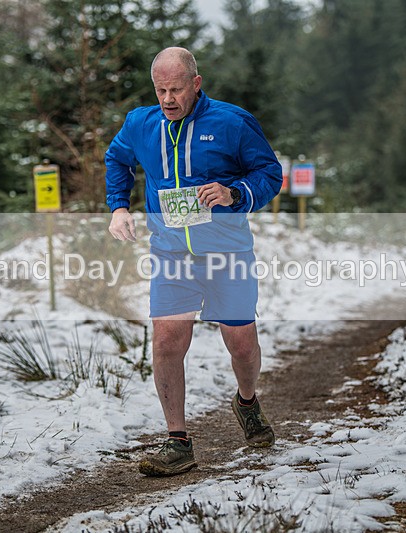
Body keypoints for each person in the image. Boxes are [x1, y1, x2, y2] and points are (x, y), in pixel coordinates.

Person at [104, 47, 282, 476]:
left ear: (196, 84)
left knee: (241, 346)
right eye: (160, 90)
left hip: (227, 253)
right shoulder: (140, 124)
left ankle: (247, 401)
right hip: (171, 253)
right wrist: (118, 206)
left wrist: (234, 192)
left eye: (176, 89)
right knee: (166, 342)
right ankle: (177, 441)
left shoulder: (232, 122)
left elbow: (270, 175)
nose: (167, 99)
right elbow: (117, 159)